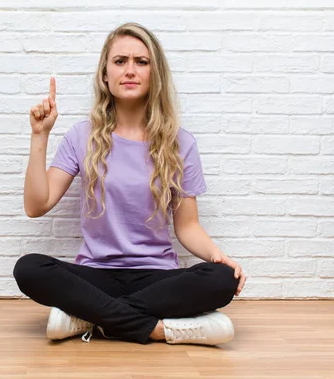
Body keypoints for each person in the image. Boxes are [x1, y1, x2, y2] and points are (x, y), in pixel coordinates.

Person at [13, 22, 247, 346]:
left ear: (155, 74)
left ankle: (87, 318)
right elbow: (36, 205)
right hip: (96, 275)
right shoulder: (81, 137)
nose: (130, 70)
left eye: (141, 61)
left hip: (157, 278)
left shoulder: (181, 144)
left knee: (221, 279)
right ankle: (160, 329)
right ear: (105, 75)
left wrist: (220, 258)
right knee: (29, 268)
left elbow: (188, 226)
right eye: (120, 61)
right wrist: (40, 135)